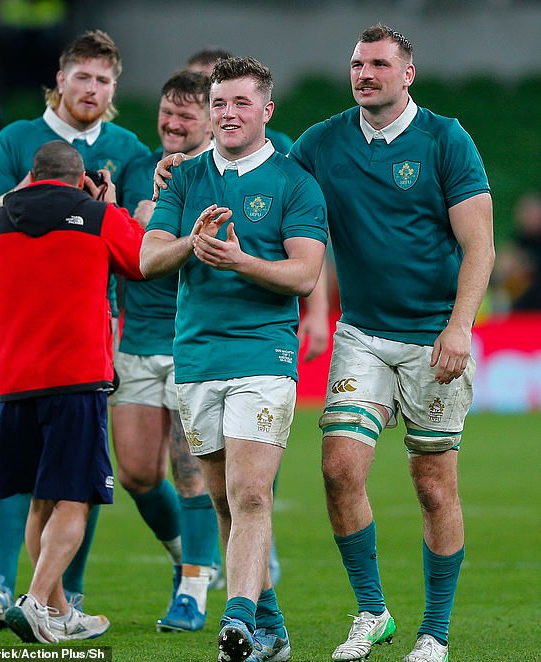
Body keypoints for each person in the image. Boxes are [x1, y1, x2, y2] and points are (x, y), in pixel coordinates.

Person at [287, 24, 494, 662]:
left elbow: (479, 243)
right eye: (356, 63)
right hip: (364, 336)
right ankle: (372, 613)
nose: (364, 73)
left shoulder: (445, 139)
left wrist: (460, 324)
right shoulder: (320, 143)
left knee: (434, 486)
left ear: (408, 74)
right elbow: (277, 200)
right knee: (337, 469)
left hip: (436, 337)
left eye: (378, 63)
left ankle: (434, 633)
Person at [0, 29, 150, 630]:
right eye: (82, 76)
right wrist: (42, 198)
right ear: (60, 80)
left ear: (113, 89)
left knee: (44, 485)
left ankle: (63, 605)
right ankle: (27, 594)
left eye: (102, 79)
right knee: (68, 485)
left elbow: (148, 218)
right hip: (51, 349)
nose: (91, 88)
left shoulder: (128, 145)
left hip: (58, 339)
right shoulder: (19, 138)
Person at [141, 56, 328, 662]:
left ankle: (238, 621)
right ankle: (269, 627)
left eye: (242, 103)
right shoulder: (185, 178)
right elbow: (148, 258)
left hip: (263, 356)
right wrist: (191, 246)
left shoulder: (294, 181)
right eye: (219, 103)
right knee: (223, 500)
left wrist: (241, 260)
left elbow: (305, 273)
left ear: (266, 110)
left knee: (250, 495)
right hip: (196, 356)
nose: (228, 113)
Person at [0, 140, 145, 643]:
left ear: (32, 175)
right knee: (75, 498)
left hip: (14, 380)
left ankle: (58, 614)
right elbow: (139, 259)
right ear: (80, 179)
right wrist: (110, 204)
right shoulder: (96, 215)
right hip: (75, 377)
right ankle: (35, 601)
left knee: (40, 501)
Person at [116, 69, 220, 633]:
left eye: (186, 115)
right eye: (167, 113)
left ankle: (196, 588)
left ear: (209, 120)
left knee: (191, 469)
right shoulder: (140, 164)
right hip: (138, 337)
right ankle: (188, 556)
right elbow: (131, 233)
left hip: (193, 339)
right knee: (133, 472)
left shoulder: (222, 170)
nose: (173, 124)